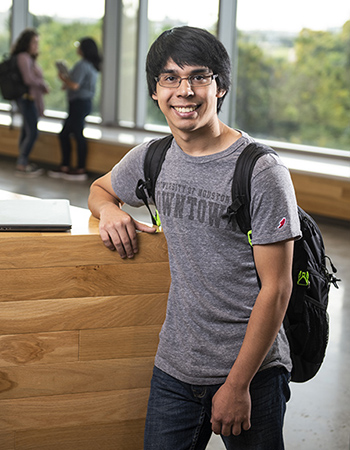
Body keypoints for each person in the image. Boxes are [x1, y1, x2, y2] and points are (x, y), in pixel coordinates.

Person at [88, 26, 301, 450]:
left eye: (199, 77)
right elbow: (100, 188)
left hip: (252, 373)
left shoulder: (261, 171)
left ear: (219, 87)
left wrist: (237, 385)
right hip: (176, 366)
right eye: (170, 78)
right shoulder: (153, 157)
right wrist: (109, 209)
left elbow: (277, 288)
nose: (184, 91)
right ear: (155, 91)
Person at [48, 37, 102, 181]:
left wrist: (63, 78)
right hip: (84, 103)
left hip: (79, 103)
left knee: (73, 134)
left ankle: (79, 168)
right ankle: (67, 166)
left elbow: (75, 85)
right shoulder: (91, 65)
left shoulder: (82, 64)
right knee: (68, 133)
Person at [12, 28, 49, 177]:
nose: (36, 45)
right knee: (32, 132)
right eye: (34, 42)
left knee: (26, 130)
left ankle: (23, 161)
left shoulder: (28, 58)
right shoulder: (23, 57)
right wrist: (42, 84)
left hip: (30, 99)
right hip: (27, 99)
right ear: (27, 43)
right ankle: (22, 162)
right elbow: (28, 79)